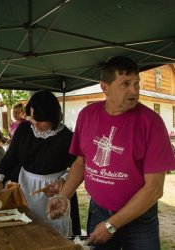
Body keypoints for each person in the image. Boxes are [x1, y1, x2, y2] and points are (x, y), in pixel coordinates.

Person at [47, 56, 175, 249]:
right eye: (125, 84)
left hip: (139, 219)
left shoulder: (152, 123)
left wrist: (112, 225)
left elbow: (155, 189)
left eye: (136, 83)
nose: (134, 90)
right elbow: (81, 163)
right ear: (105, 87)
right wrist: (64, 195)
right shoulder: (87, 116)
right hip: (99, 210)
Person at [0, 90, 80, 237]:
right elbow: (10, 158)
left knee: (53, 237)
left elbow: (78, 166)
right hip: (26, 189)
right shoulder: (24, 129)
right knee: (27, 232)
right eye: (32, 118)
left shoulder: (67, 137)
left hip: (55, 192)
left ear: (53, 118)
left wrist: (62, 181)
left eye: (39, 120)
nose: (34, 124)